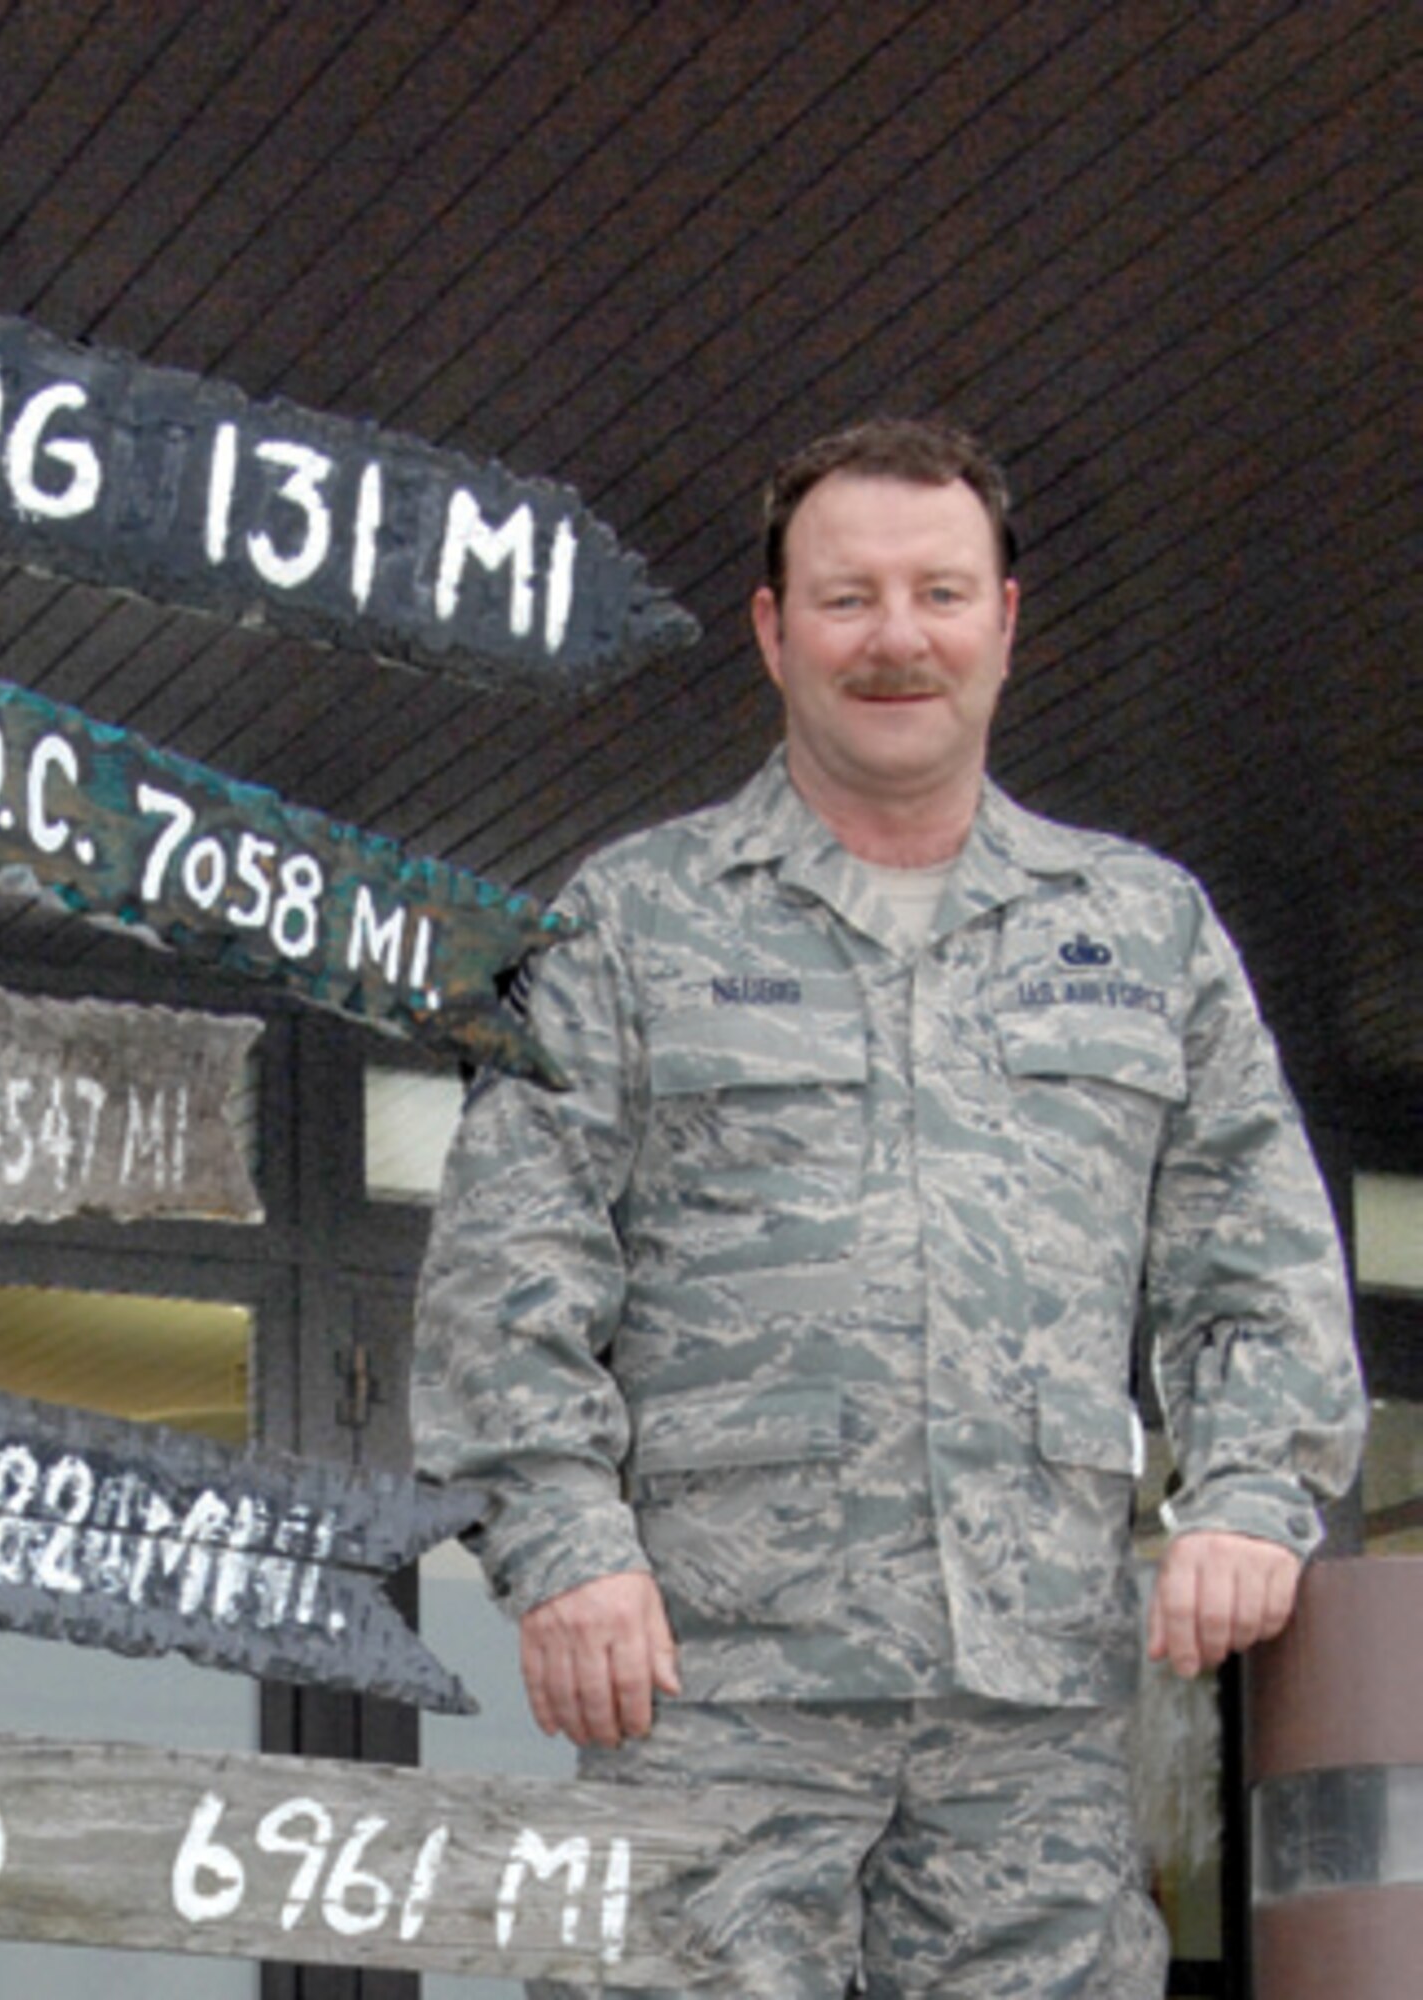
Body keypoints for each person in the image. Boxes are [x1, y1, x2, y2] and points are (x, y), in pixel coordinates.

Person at [409, 417, 1365, 1998]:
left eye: (939, 592)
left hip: (1037, 1703)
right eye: (849, 599)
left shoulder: (1145, 930)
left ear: (1007, 619)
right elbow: (511, 1263)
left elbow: (1252, 1246)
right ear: (775, 632)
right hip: (708, 1685)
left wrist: (1253, 1490)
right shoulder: (620, 922)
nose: (897, 638)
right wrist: (565, 1540)